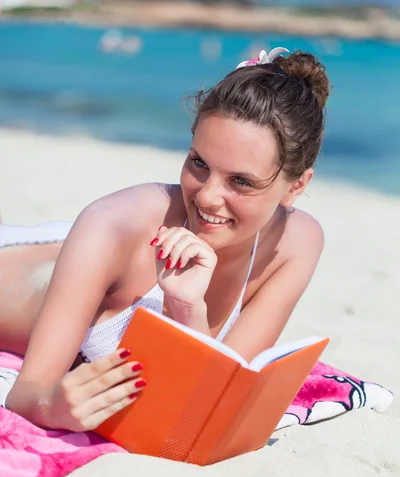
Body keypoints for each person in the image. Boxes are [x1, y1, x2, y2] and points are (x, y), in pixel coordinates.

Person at [0, 48, 330, 432]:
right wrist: (51, 407)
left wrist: (187, 307)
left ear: (297, 186)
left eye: (241, 181)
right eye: (198, 163)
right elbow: (26, 395)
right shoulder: (112, 225)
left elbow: (211, 399)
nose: (206, 196)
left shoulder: (296, 242)